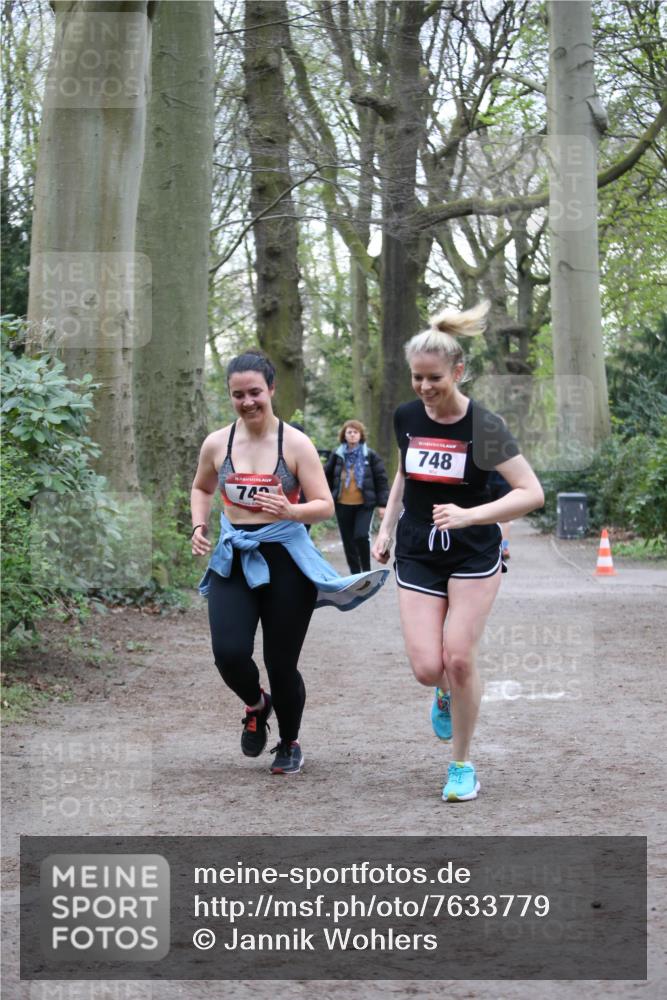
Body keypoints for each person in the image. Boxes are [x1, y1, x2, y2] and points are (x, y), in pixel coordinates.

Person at [372, 302, 543, 802]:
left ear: (458, 371)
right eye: (417, 378)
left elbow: (530, 492)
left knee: (460, 658)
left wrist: (471, 515)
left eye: (435, 379)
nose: (424, 389)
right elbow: (407, 473)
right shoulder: (406, 416)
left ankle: (462, 765)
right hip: (419, 548)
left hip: (473, 551)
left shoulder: (484, 427)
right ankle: (444, 694)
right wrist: (385, 527)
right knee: (429, 667)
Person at [191, 350, 387, 776]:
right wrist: (198, 524)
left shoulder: (294, 444)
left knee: (281, 663)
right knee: (228, 653)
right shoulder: (217, 443)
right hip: (235, 556)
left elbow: (324, 505)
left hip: (285, 560)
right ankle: (257, 704)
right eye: (238, 394)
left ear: (272, 389)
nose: (247, 402)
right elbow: (202, 488)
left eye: (255, 392)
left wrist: (290, 511)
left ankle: (289, 741)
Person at [325, 420, 389, 573]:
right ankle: (355, 574)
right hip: (342, 504)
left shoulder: (370, 455)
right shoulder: (337, 454)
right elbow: (326, 477)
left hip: (364, 504)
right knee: (348, 541)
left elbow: (381, 480)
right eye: (349, 432)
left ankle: (366, 571)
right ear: (344, 435)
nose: (352, 435)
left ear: (360, 435)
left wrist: (383, 505)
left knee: (360, 536)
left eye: (355, 432)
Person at [486, 470, 512, 560]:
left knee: (486, 514)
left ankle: (489, 546)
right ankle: (504, 547)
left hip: (487, 480)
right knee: (505, 517)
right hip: (505, 480)